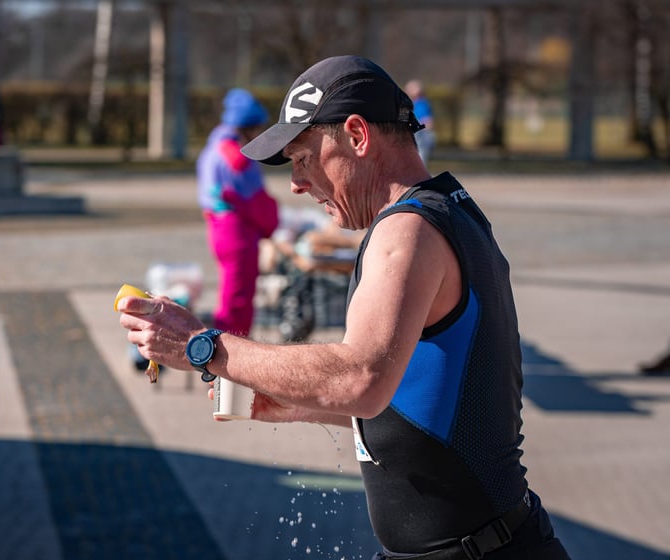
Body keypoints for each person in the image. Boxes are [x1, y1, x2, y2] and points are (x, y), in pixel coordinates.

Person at [118, 56, 570, 559]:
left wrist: (203, 346)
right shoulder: (448, 209)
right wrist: (294, 406)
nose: (294, 183)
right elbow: (414, 395)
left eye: (304, 158)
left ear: (356, 136)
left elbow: (361, 377)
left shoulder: (408, 231)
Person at [196, 88, 279, 336]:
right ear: (248, 127)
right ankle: (230, 359)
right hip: (237, 233)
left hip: (219, 228)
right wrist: (271, 222)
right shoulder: (236, 157)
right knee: (238, 302)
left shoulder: (214, 145)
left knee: (231, 294)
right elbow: (253, 200)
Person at [405, 79, 436, 166]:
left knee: (420, 159)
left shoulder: (422, 104)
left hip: (420, 135)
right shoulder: (412, 103)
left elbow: (428, 122)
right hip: (415, 134)